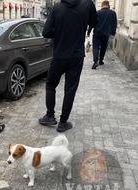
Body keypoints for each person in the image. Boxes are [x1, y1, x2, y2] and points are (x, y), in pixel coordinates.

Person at [38, 0, 98, 132]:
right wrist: (84, 27)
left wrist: (59, 32)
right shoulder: (88, 4)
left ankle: (49, 115)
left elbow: (46, 32)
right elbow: (94, 22)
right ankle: (63, 122)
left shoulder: (57, 7)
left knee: (50, 85)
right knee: (70, 89)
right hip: (76, 56)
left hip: (59, 55)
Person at [88, 1, 117, 69]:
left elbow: (92, 23)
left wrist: (88, 32)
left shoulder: (98, 13)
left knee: (95, 47)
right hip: (106, 33)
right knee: (103, 47)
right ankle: (101, 60)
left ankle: (95, 61)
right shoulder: (113, 13)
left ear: (102, 5)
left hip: (97, 33)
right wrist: (113, 33)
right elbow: (114, 24)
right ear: (108, 5)